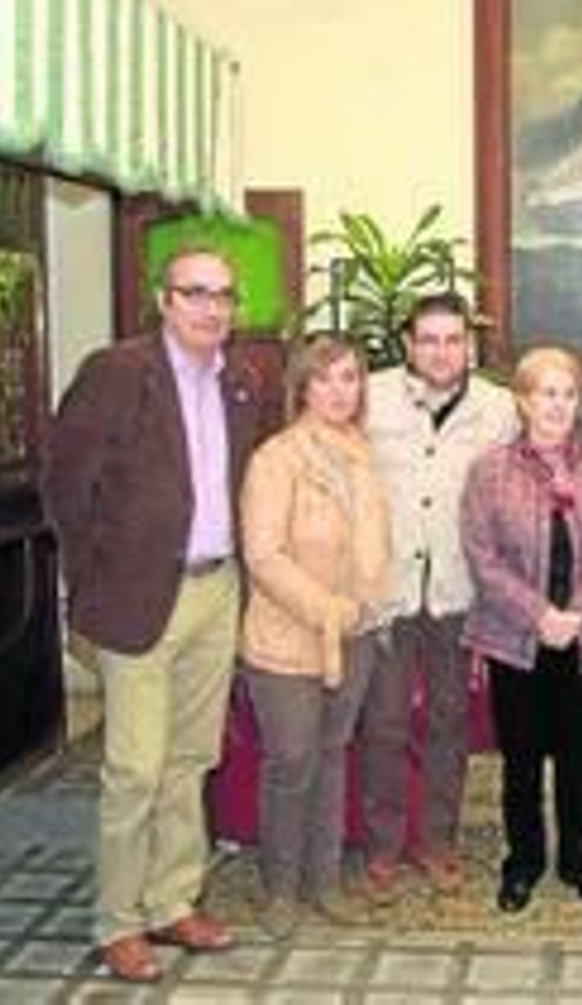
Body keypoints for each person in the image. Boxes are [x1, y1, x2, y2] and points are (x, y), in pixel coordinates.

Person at [43, 247, 263, 983]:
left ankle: (172, 899)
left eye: (224, 295)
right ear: (164, 300)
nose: (212, 308)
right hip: (137, 594)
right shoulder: (118, 371)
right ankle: (118, 921)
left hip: (215, 588)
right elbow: (66, 483)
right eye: (195, 293)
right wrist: (89, 583)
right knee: (134, 768)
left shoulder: (241, 381)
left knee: (190, 758)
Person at [460, 347, 582, 913]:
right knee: (522, 760)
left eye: (567, 394)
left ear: (579, 401)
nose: (557, 405)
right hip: (516, 637)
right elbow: (482, 557)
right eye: (545, 393)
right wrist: (539, 615)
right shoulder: (490, 470)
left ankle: (578, 860)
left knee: (581, 758)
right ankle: (524, 861)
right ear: (522, 400)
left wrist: (576, 614)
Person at [357, 291, 518, 903]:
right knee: (386, 722)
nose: (442, 352)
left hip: (460, 591)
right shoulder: (369, 397)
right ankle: (383, 845)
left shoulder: (500, 410)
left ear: (469, 346)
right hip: (389, 592)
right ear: (407, 344)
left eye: (453, 340)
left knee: (451, 722)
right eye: (429, 340)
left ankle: (438, 841)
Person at [238, 333, 389, 940]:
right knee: (292, 761)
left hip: (355, 634)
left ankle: (324, 880)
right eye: (324, 378)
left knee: (332, 757)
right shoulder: (275, 459)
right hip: (288, 638)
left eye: (350, 378)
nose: (338, 391)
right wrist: (327, 608)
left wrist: (367, 606)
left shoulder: (363, 452)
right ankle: (279, 888)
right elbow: (264, 555)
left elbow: (375, 547)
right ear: (301, 386)